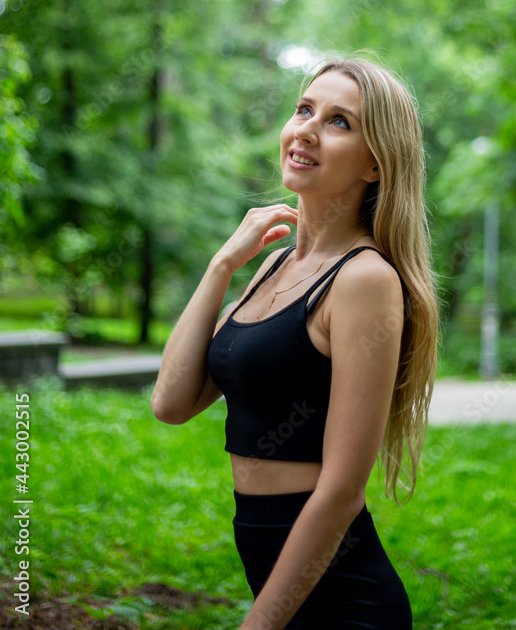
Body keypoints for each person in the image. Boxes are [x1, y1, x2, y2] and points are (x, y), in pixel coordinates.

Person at [151, 53, 440, 630]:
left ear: (377, 163)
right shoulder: (272, 267)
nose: (306, 128)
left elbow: (340, 491)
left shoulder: (363, 279)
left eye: (339, 121)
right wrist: (223, 264)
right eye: (305, 108)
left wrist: (258, 625)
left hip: (343, 603)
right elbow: (172, 402)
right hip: (276, 577)